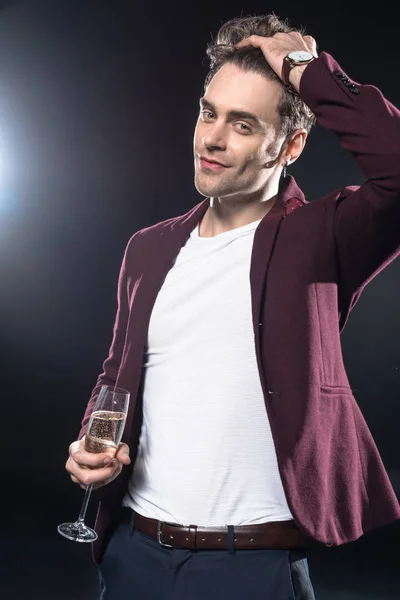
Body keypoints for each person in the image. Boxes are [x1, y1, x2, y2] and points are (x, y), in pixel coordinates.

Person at [65, 13, 400, 600]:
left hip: (251, 568)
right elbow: (116, 377)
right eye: (208, 112)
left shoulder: (320, 237)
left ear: (291, 145)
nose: (211, 138)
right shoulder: (147, 249)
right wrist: (94, 452)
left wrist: (307, 70)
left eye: (243, 124)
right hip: (133, 556)